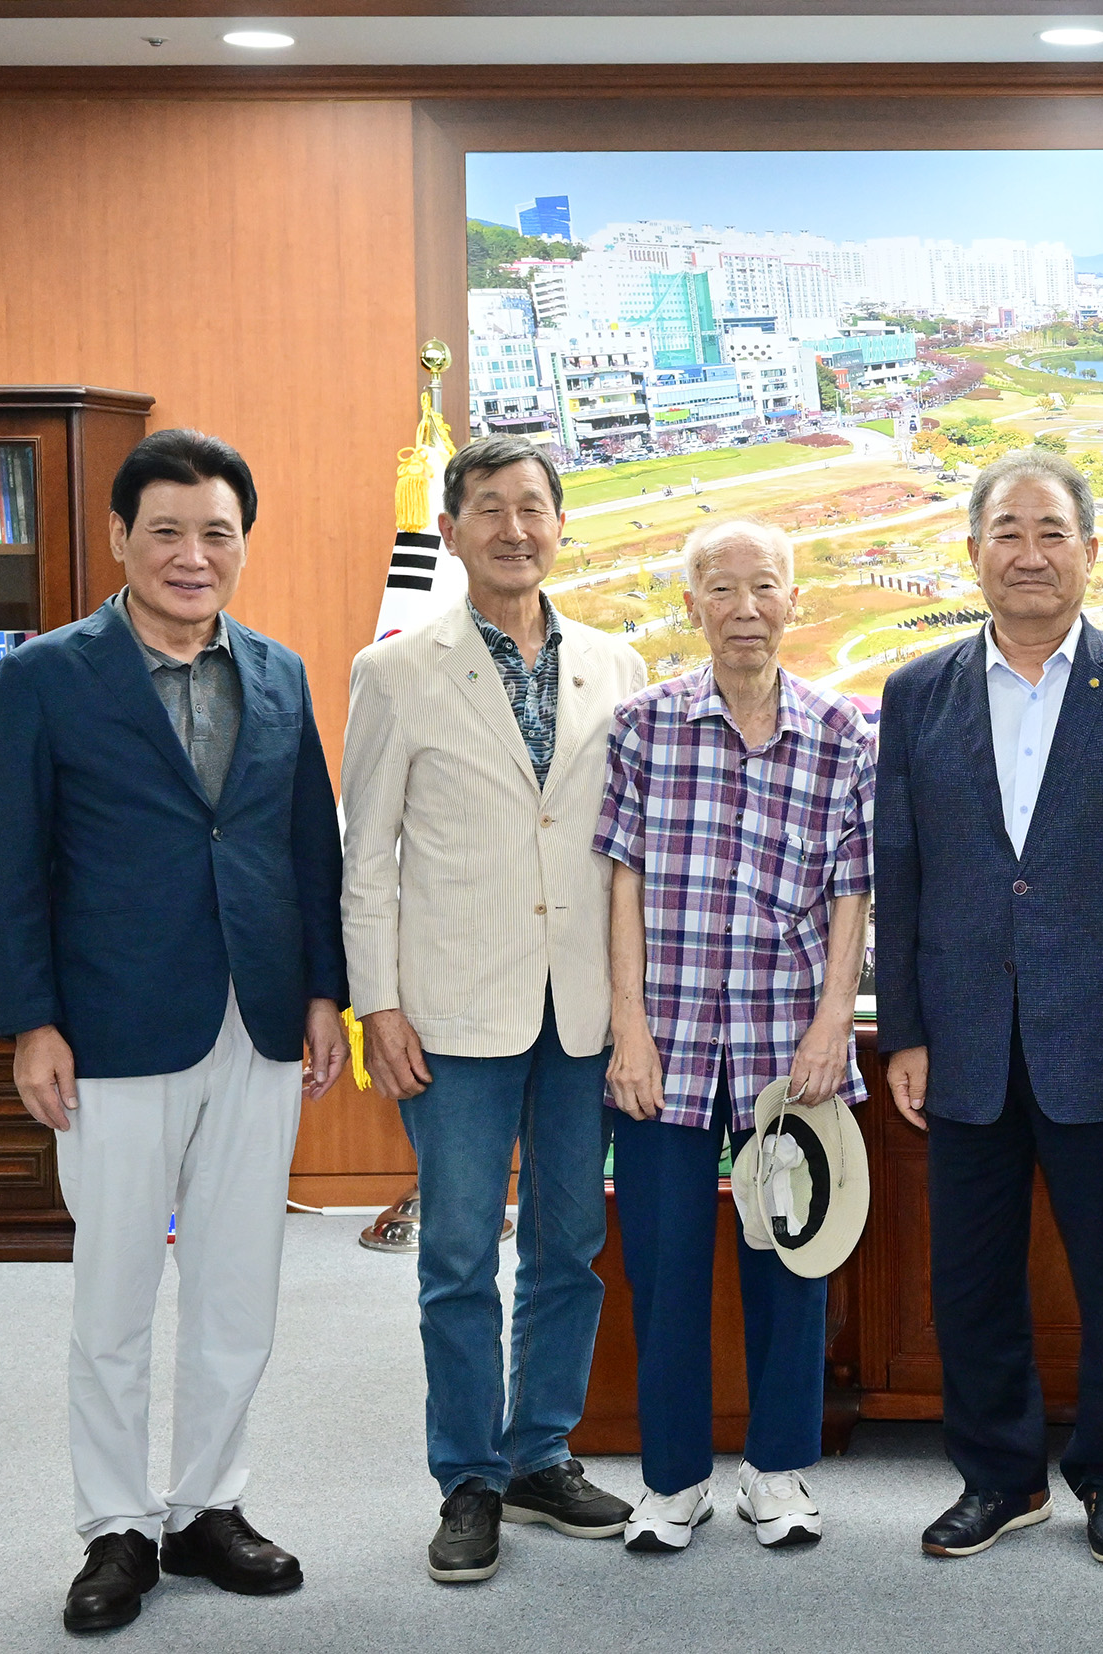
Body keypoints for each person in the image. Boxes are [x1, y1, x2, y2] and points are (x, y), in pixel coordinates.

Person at [0, 430, 348, 1635]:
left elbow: (309, 847)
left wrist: (321, 993)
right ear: (119, 539)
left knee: (241, 1285)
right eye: (168, 532)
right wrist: (32, 1018)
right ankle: (113, 1526)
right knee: (116, 1293)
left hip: (258, 1016)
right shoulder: (45, 674)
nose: (195, 555)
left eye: (218, 533)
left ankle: (207, 1505)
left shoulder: (283, 671)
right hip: (111, 1025)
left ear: (244, 540)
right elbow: (20, 867)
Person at [874, 448, 1103, 1565]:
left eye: (1051, 531)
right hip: (961, 1037)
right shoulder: (916, 692)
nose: (1028, 552)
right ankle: (1000, 1477)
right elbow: (900, 868)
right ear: (971, 553)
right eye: (1005, 531)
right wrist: (904, 1026)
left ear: (1091, 551)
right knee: (969, 1278)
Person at [342, 437, 649, 1581]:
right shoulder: (396, 669)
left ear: (561, 525)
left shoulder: (618, 665)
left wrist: (634, 999)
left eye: (534, 508)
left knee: (569, 1245)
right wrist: (379, 1002)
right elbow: (364, 852)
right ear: (456, 528)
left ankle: (540, 1453)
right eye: (488, 510)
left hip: (581, 1014)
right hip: (452, 1012)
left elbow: (628, 849)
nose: (514, 528)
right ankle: (466, 1478)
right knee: (461, 1254)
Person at [593, 516, 872, 1554]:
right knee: (664, 1262)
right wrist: (629, 1026)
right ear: (690, 605)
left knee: (792, 1259)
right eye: (721, 588)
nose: (744, 607)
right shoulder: (643, 726)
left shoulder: (841, 732)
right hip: (663, 1040)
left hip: (785, 1042)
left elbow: (854, 893)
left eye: (764, 587)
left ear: (794, 602)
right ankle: (671, 1480)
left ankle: (779, 1470)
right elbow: (620, 881)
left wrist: (831, 1020)